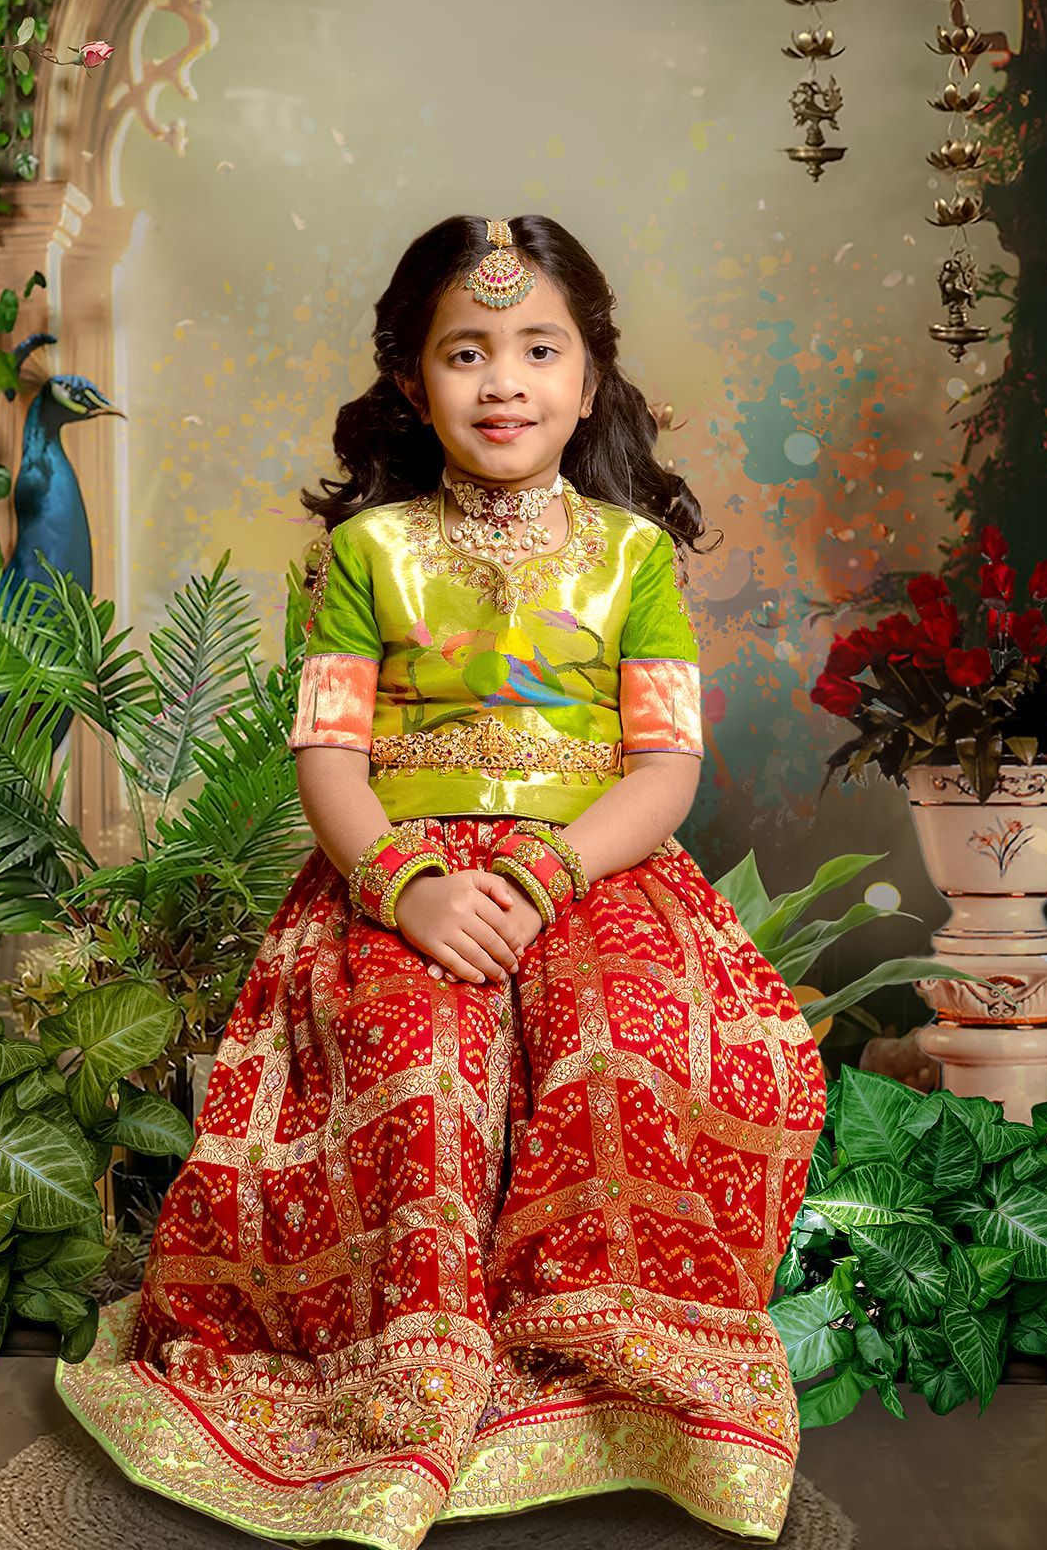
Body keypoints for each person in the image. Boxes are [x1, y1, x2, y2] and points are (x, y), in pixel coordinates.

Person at [55, 215, 828, 1548]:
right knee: (414, 1060)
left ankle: (598, 1374)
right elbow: (328, 759)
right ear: (414, 385)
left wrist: (550, 866)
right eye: (466, 353)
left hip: (594, 869)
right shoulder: (367, 554)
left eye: (539, 350)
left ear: (591, 378)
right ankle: (408, 1378)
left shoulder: (633, 557)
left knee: (626, 1043)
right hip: (397, 879)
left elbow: (664, 770)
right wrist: (406, 889)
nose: (504, 382)